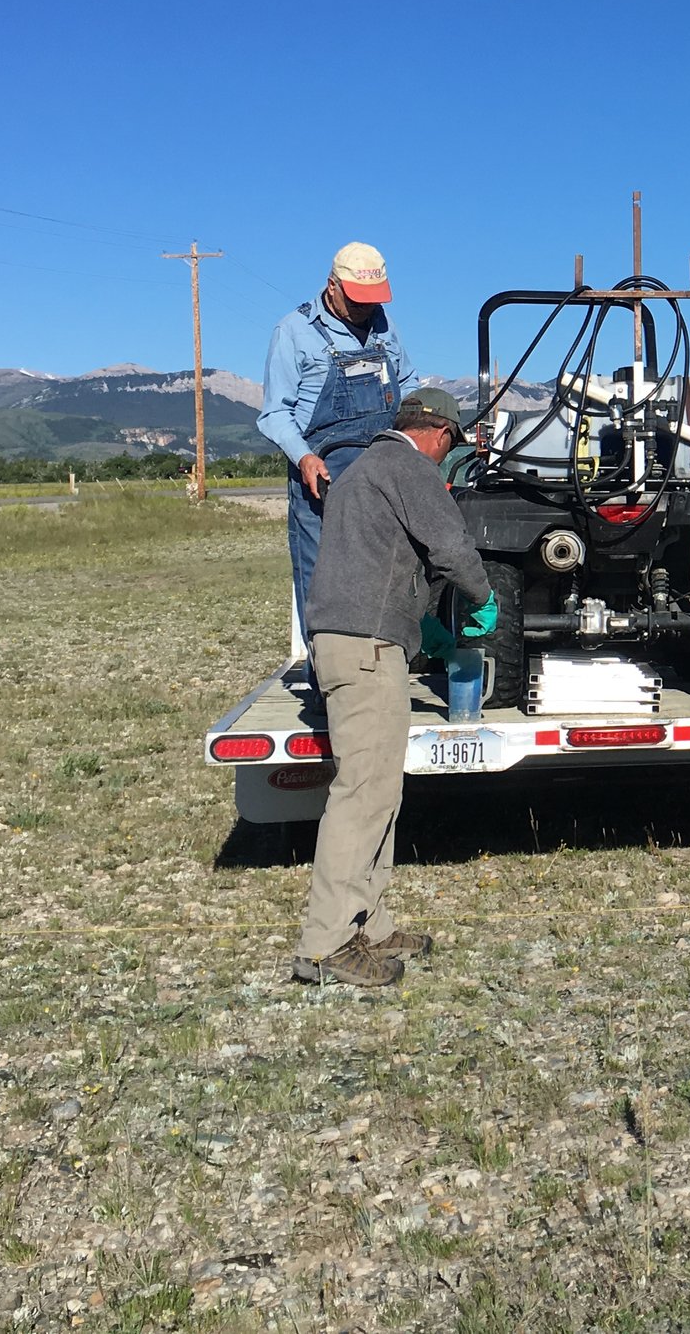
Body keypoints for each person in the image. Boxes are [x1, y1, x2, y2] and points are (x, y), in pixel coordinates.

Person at [293, 387, 495, 987]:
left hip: (346, 639)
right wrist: (483, 600)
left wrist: (419, 625)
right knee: (361, 794)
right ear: (436, 432)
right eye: (450, 444)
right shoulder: (409, 466)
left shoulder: (358, 473)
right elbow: (452, 546)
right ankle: (325, 944)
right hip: (367, 650)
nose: (446, 454)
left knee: (381, 790)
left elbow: (373, 563)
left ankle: (370, 926)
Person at [259, 243, 416, 639]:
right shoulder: (293, 332)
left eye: (374, 300)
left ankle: (376, 669)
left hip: (382, 471)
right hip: (321, 475)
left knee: (385, 574)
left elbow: (409, 382)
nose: (367, 309)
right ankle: (326, 687)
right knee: (322, 580)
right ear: (332, 287)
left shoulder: (384, 325)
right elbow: (275, 413)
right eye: (358, 300)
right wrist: (304, 458)